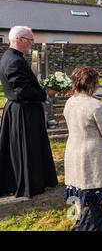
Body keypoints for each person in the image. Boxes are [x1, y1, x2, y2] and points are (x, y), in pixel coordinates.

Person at [0, 26, 58, 198]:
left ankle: (34, 181)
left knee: (28, 148)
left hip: (21, 109)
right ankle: (29, 184)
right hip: (23, 111)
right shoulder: (14, 61)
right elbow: (22, 91)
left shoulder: (12, 57)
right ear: (19, 39)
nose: (32, 45)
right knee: (27, 149)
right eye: (30, 41)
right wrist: (45, 93)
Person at [63, 67, 102, 231]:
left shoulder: (69, 101)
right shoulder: (96, 106)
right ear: (92, 84)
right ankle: (90, 225)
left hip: (72, 148)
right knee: (90, 189)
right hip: (91, 153)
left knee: (74, 188)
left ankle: (75, 220)